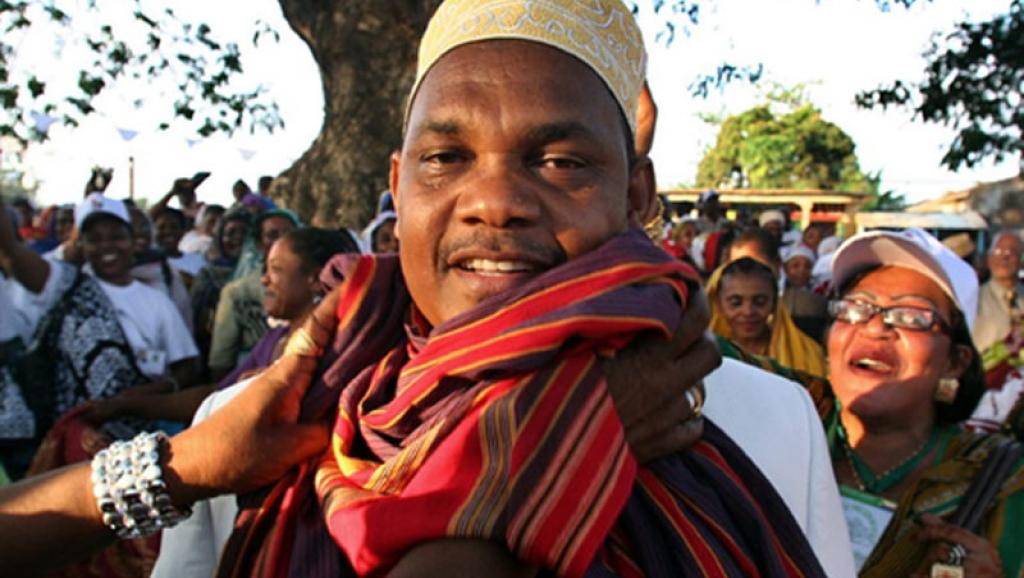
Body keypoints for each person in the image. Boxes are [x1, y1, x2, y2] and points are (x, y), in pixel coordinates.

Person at [204, 2, 845, 577]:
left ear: (636, 197)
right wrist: (562, 446)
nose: (495, 203)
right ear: (398, 189)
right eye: (446, 158)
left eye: (560, 162)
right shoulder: (256, 429)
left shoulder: (771, 417)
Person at [823, 228, 1022, 576]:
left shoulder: (1002, 480)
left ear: (955, 361)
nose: (873, 328)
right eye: (856, 307)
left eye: (911, 316)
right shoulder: (780, 431)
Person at [0, 194, 200, 479]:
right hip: (74, 447)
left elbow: (188, 368)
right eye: (95, 238)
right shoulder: (65, 287)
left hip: (137, 448)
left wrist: (148, 394)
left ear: (133, 242)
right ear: (80, 244)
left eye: (117, 236)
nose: (107, 246)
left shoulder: (156, 301)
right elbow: (11, 253)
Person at [206, 209, 299, 380]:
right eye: (272, 235)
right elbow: (221, 362)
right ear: (258, 243)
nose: (282, 240)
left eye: (289, 233)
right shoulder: (237, 293)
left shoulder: (313, 284)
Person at [707, 257, 828, 377]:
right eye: (736, 303)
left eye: (760, 302)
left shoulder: (806, 353)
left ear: (774, 304)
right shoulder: (705, 354)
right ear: (718, 304)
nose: (748, 311)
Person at [190, 210, 251, 371]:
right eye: (230, 233)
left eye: (243, 233)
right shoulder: (208, 275)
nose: (237, 238)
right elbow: (196, 322)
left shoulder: (263, 275)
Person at [972, 231, 1024, 353]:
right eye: (997, 252)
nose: (1004, 258)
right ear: (988, 259)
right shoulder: (974, 298)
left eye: (1011, 252)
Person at [782, 244, 830, 343]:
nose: (801, 270)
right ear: (786, 269)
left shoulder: (821, 297)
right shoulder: (777, 294)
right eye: (795, 266)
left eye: (807, 266)